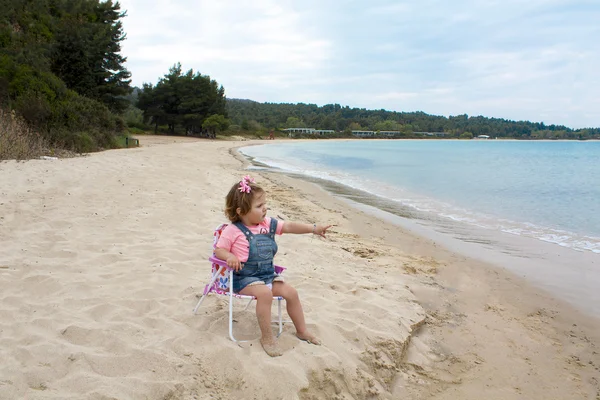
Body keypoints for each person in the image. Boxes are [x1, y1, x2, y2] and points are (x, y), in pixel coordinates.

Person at [215, 176, 331, 357]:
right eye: (259, 206)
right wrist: (229, 256)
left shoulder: (267, 224)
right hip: (244, 279)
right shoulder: (232, 231)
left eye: (265, 204)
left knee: (291, 293)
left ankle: (301, 330)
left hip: (267, 275)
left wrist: (313, 228)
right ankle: (267, 337)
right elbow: (219, 250)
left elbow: (290, 226)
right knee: (265, 294)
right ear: (241, 211)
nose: (265, 209)